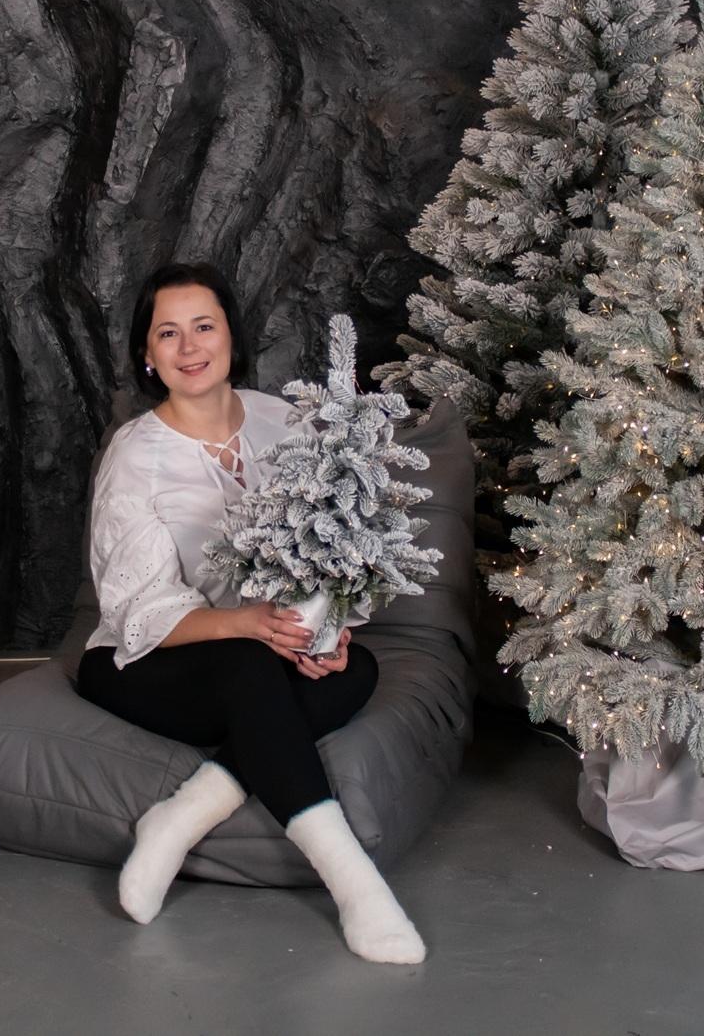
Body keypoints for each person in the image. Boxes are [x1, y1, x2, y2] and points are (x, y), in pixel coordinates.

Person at [74, 261, 426, 965]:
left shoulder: (283, 421)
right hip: (141, 657)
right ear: (147, 355)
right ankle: (356, 885)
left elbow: (326, 550)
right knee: (247, 669)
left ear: (231, 335)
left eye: (204, 326)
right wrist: (249, 626)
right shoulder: (136, 454)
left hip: (258, 652)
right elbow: (139, 604)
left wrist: (324, 630)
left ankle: (181, 815)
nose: (189, 346)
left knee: (355, 670)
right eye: (167, 333)